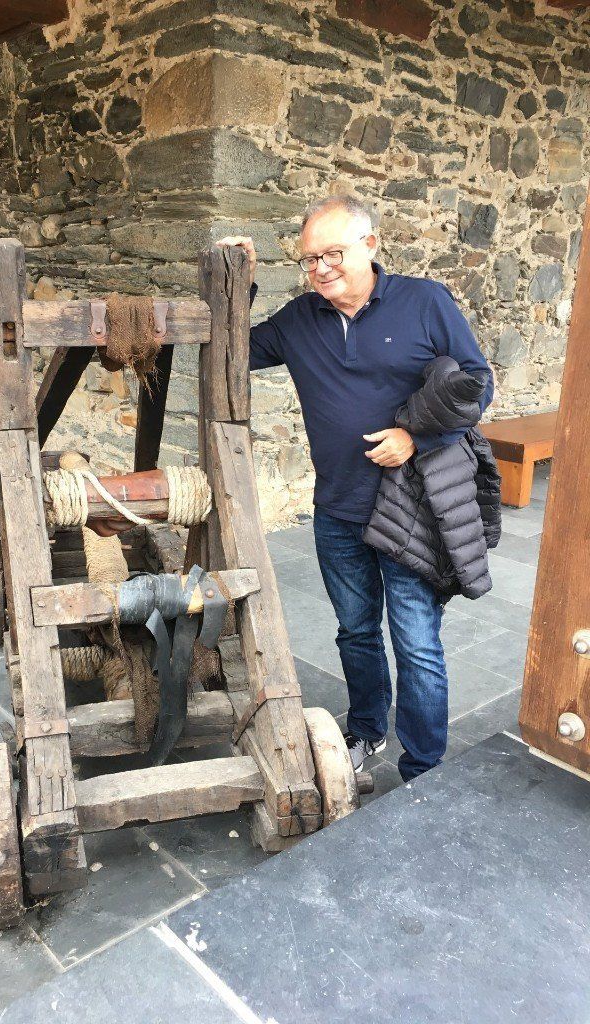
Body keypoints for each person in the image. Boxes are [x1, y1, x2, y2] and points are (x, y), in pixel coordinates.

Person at [217, 194, 494, 781]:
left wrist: (415, 437)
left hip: (409, 508)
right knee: (357, 631)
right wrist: (239, 281)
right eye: (310, 259)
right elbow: (230, 347)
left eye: (333, 254)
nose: (321, 269)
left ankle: (424, 766)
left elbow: (476, 383)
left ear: (370, 245)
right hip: (338, 508)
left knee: (416, 642)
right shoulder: (300, 319)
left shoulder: (425, 302)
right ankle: (367, 729)